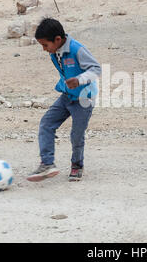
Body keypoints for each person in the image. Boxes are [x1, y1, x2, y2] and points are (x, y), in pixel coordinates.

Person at [27, 18, 101, 182]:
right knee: (46, 123)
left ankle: (77, 165)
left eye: (45, 45)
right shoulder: (55, 52)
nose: (44, 49)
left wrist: (79, 80)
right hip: (67, 96)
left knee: (76, 134)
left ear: (58, 40)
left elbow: (96, 69)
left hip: (84, 98)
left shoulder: (77, 49)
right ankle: (47, 164)